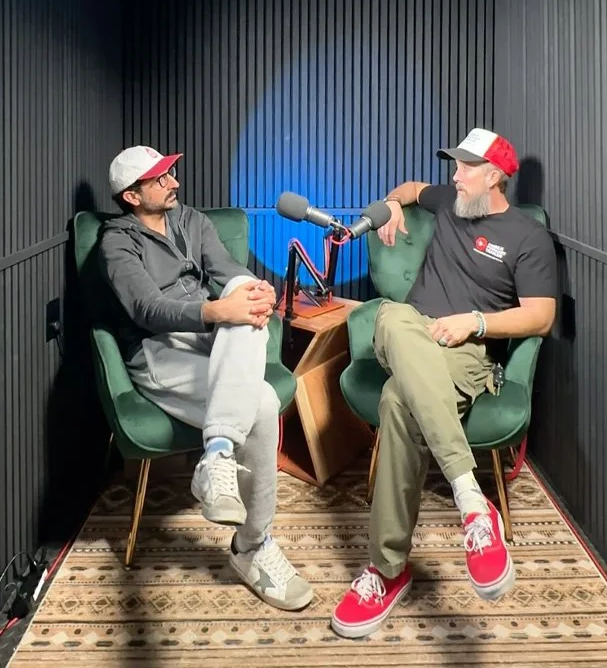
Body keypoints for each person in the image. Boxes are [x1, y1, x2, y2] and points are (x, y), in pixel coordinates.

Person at [331, 128, 557, 639]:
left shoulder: (527, 236)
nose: (453, 175)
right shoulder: (451, 202)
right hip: (410, 332)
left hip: (466, 353)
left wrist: (475, 322)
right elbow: (411, 188)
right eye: (454, 165)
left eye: (465, 167)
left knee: (395, 401)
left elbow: (541, 317)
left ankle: (387, 572)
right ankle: (471, 500)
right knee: (390, 316)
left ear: (494, 176)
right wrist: (388, 205)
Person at [98, 145, 313, 612]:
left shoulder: (191, 219)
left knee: (245, 296)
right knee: (258, 402)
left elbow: (226, 269)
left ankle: (216, 455)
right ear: (132, 197)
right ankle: (252, 546)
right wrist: (218, 312)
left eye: (172, 173)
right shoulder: (117, 242)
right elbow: (145, 310)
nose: (174, 182)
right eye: (161, 179)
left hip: (208, 345)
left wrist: (252, 290)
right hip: (157, 351)